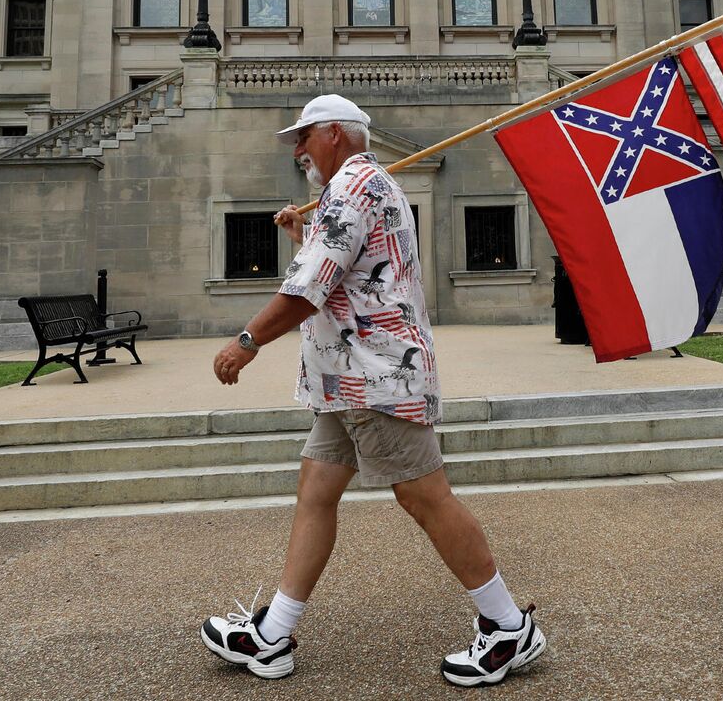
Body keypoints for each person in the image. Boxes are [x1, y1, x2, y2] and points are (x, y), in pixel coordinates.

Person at [200, 94, 547, 687]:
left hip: (375, 378)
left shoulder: (354, 187)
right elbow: (346, 271)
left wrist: (246, 342)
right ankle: (274, 635)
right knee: (316, 490)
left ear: (335, 133)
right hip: (347, 379)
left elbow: (309, 289)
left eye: (304, 137)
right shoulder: (360, 188)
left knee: (426, 497)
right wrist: (305, 232)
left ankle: (509, 626)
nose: (299, 150)